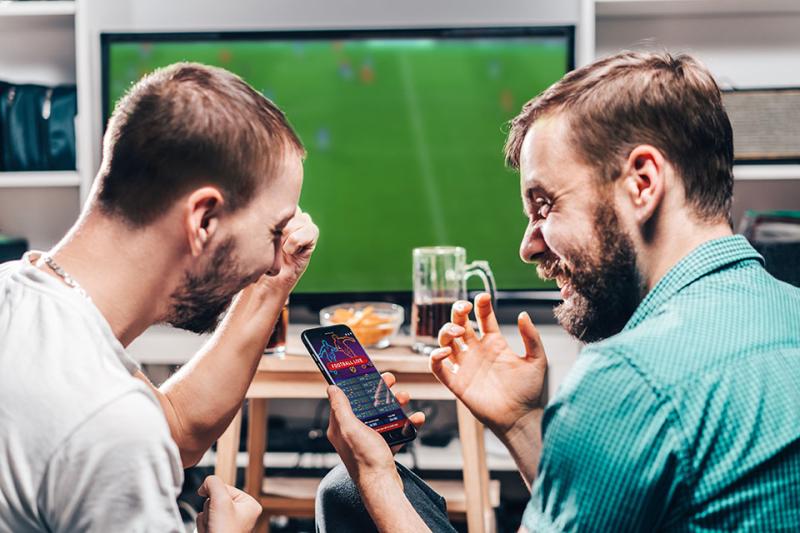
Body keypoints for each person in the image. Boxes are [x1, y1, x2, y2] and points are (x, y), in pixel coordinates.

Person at [316, 51, 800, 531]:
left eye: (545, 205)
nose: (528, 247)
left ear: (642, 183)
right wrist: (520, 422)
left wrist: (374, 476)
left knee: (348, 493)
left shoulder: (628, 379)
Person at [0, 62, 319, 532]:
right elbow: (125, 430)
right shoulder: (110, 424)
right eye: (274, 231)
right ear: (204, 219)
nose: (273, 261)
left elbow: (177, 429)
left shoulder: (19, 291)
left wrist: (275, 285)